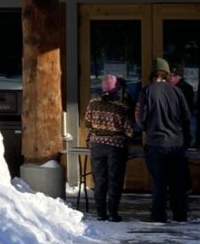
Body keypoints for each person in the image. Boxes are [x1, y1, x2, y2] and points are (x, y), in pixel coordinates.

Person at [135, 56, 192, 223]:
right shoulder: (177, 91)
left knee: (159, 183)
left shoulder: (146, 91)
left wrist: (146, 129)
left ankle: (158, 215)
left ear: (152, 73)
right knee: (177, 182)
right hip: (176, 143)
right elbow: (186, 117)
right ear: (167, 73)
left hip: (156, 143)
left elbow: (141, 118)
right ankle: (180, 214)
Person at [82, 75, 131, 222]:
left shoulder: (93, 103)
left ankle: (101, 213)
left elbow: (87, 123)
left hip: (96, 145)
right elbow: (128, 129)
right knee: (114, 179)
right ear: (117, 89)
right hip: (115, 146)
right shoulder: (121, 106)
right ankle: (113, 213)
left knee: (100, 179)